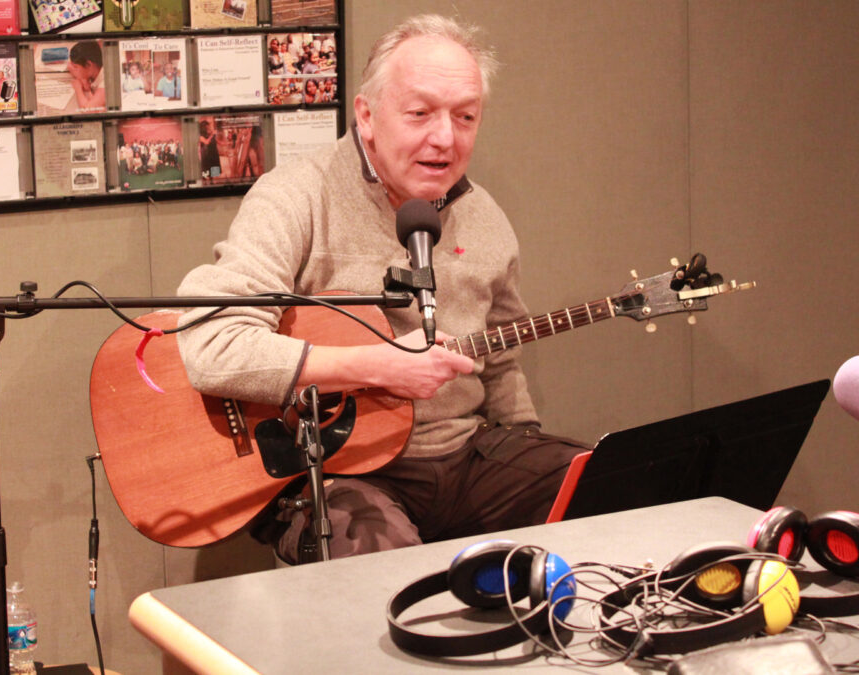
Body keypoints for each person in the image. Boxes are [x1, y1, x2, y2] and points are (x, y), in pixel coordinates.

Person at [176, 15, 586, 564]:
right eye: (420, 114)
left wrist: (527, 446)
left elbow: (500, 360)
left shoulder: (485, 218)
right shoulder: (295, 197)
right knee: (382, 572)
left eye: (465, 117)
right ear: (366, 116)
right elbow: (213, 347)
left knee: (605, 483)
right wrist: (377, 366)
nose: (445, 137)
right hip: (338, 471)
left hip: (464, 458)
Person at [67, 40, 106, 112]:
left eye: (76, 67)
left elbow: (87, 111)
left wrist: (78, 89)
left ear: (89, 64)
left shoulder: (106, 82)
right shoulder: (95, 69)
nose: (74, 69)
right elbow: (69, 66)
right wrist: (84, 80)